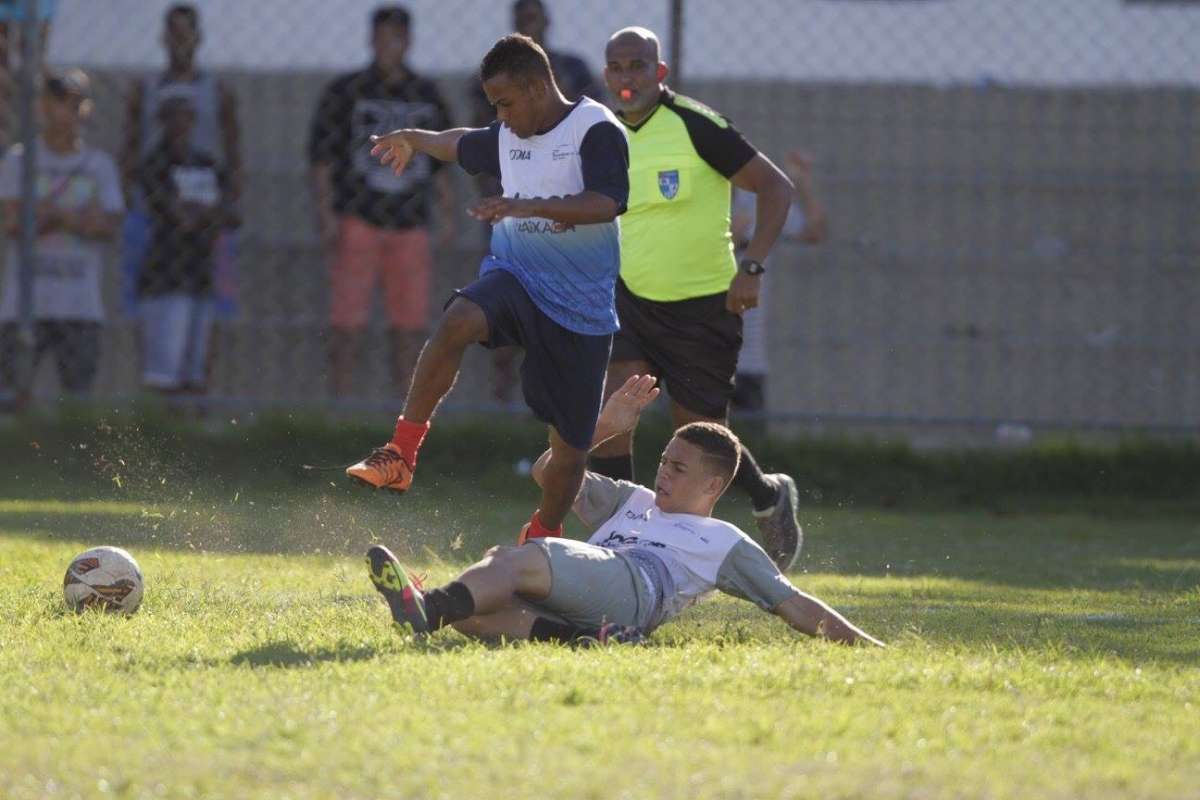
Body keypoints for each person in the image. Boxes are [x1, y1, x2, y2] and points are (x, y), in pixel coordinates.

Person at [346, 33, 629, 545]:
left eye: (505, 103)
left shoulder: (596, 128)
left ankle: (542, 537)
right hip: (517, 278)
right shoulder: (507, 136)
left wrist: (532, 207)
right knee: (458, 319)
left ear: (538, 87)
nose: (500, 116)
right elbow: (460, 141)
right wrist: (414, 136)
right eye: (494, 105)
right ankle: (401, 454)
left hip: (579, 309)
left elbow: (606, 202)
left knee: (568, 454)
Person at [365, 374, 884, 648]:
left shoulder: (725, 540)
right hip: (599, 595)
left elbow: (794, 604)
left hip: (638, 588)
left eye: (678, 469)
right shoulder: (629, 498)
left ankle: (426, 606)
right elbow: (550, 470)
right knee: (475, 614)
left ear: (713, 484)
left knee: (515, 557)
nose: (662, 473)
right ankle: (586, 641)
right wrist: (605, 427)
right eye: (663, 461)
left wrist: (867, 647)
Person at [590, 27, 803, 572]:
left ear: (659, 74)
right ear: (606, 75)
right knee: (619, 408)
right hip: (631, 299)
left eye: (638, 66)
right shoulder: (602, 133)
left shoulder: (697, 126)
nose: (626, 78)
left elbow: (777, 187)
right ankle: (621, 542)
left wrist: (751, 267)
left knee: (699, 440)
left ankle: (766, 496)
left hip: (704, 308)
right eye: (616, 68)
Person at [309, 5, 455, 399]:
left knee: (409, 326)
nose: (388, 46)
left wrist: (445, 213)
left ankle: (403, 419)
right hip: (359, 218)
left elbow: (443, 162)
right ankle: (338, 404)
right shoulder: (347, 91)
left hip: (410, 221)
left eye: (396, 37)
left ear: (408, 41)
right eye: (381, 37)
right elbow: (322, 158)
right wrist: (326, 214)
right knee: (346, 322)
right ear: (371, 39)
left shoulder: (426, 94)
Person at [470, 0, 604, 405]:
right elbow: (485, 144)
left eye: (535, 19)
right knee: (505, 303)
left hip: (565, 211)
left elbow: (594, 133)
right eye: (521, 21)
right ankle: (503, 403)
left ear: (547, 23)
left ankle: (562, 405)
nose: (530, 26)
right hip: (512, 209)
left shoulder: (573, 71)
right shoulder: (492, 76)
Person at [0, 70, 123, 405]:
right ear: (42, 107)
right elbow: (13, 223)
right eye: (56, 102)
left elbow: (107, 225)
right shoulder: (19, 160)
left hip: (79, 305)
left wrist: (50, 214)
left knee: (77, 403)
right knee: (12, 399)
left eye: (73, 103)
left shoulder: (100, 166)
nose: (63, 112)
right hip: (24, 305)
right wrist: (78, 216)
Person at [120, 3, 241, 318]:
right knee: (146, 306)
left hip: (206, 210)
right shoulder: (144, 89)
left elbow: (234, 153)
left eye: (186, 33)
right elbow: (130, 148)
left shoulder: (218, 91)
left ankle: (204, 368)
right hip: (156, 209)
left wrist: (226, 204)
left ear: (198, 38)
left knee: (212, 311)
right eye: (173, 33)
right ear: (163, 38)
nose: (180, 40)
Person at [136, 95, 238, 395]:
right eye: (174, 117)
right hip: (165, 273)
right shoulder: (155, 163)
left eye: (187, 117)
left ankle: (191, 424)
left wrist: (201, 212)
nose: (181, 125)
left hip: (201, 272)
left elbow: (229, 214)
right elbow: (177, 216)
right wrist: (204, 212)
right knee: (164, 371)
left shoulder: (206, 162)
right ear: (163, 122)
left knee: (196, 366)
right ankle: (161, 432)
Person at [731, 150, 828, 411]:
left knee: (750, 439)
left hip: (749, 359)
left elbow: (814, 231)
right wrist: (732, 238)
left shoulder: (755, 203)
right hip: (701, 353)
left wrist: (803, 183)